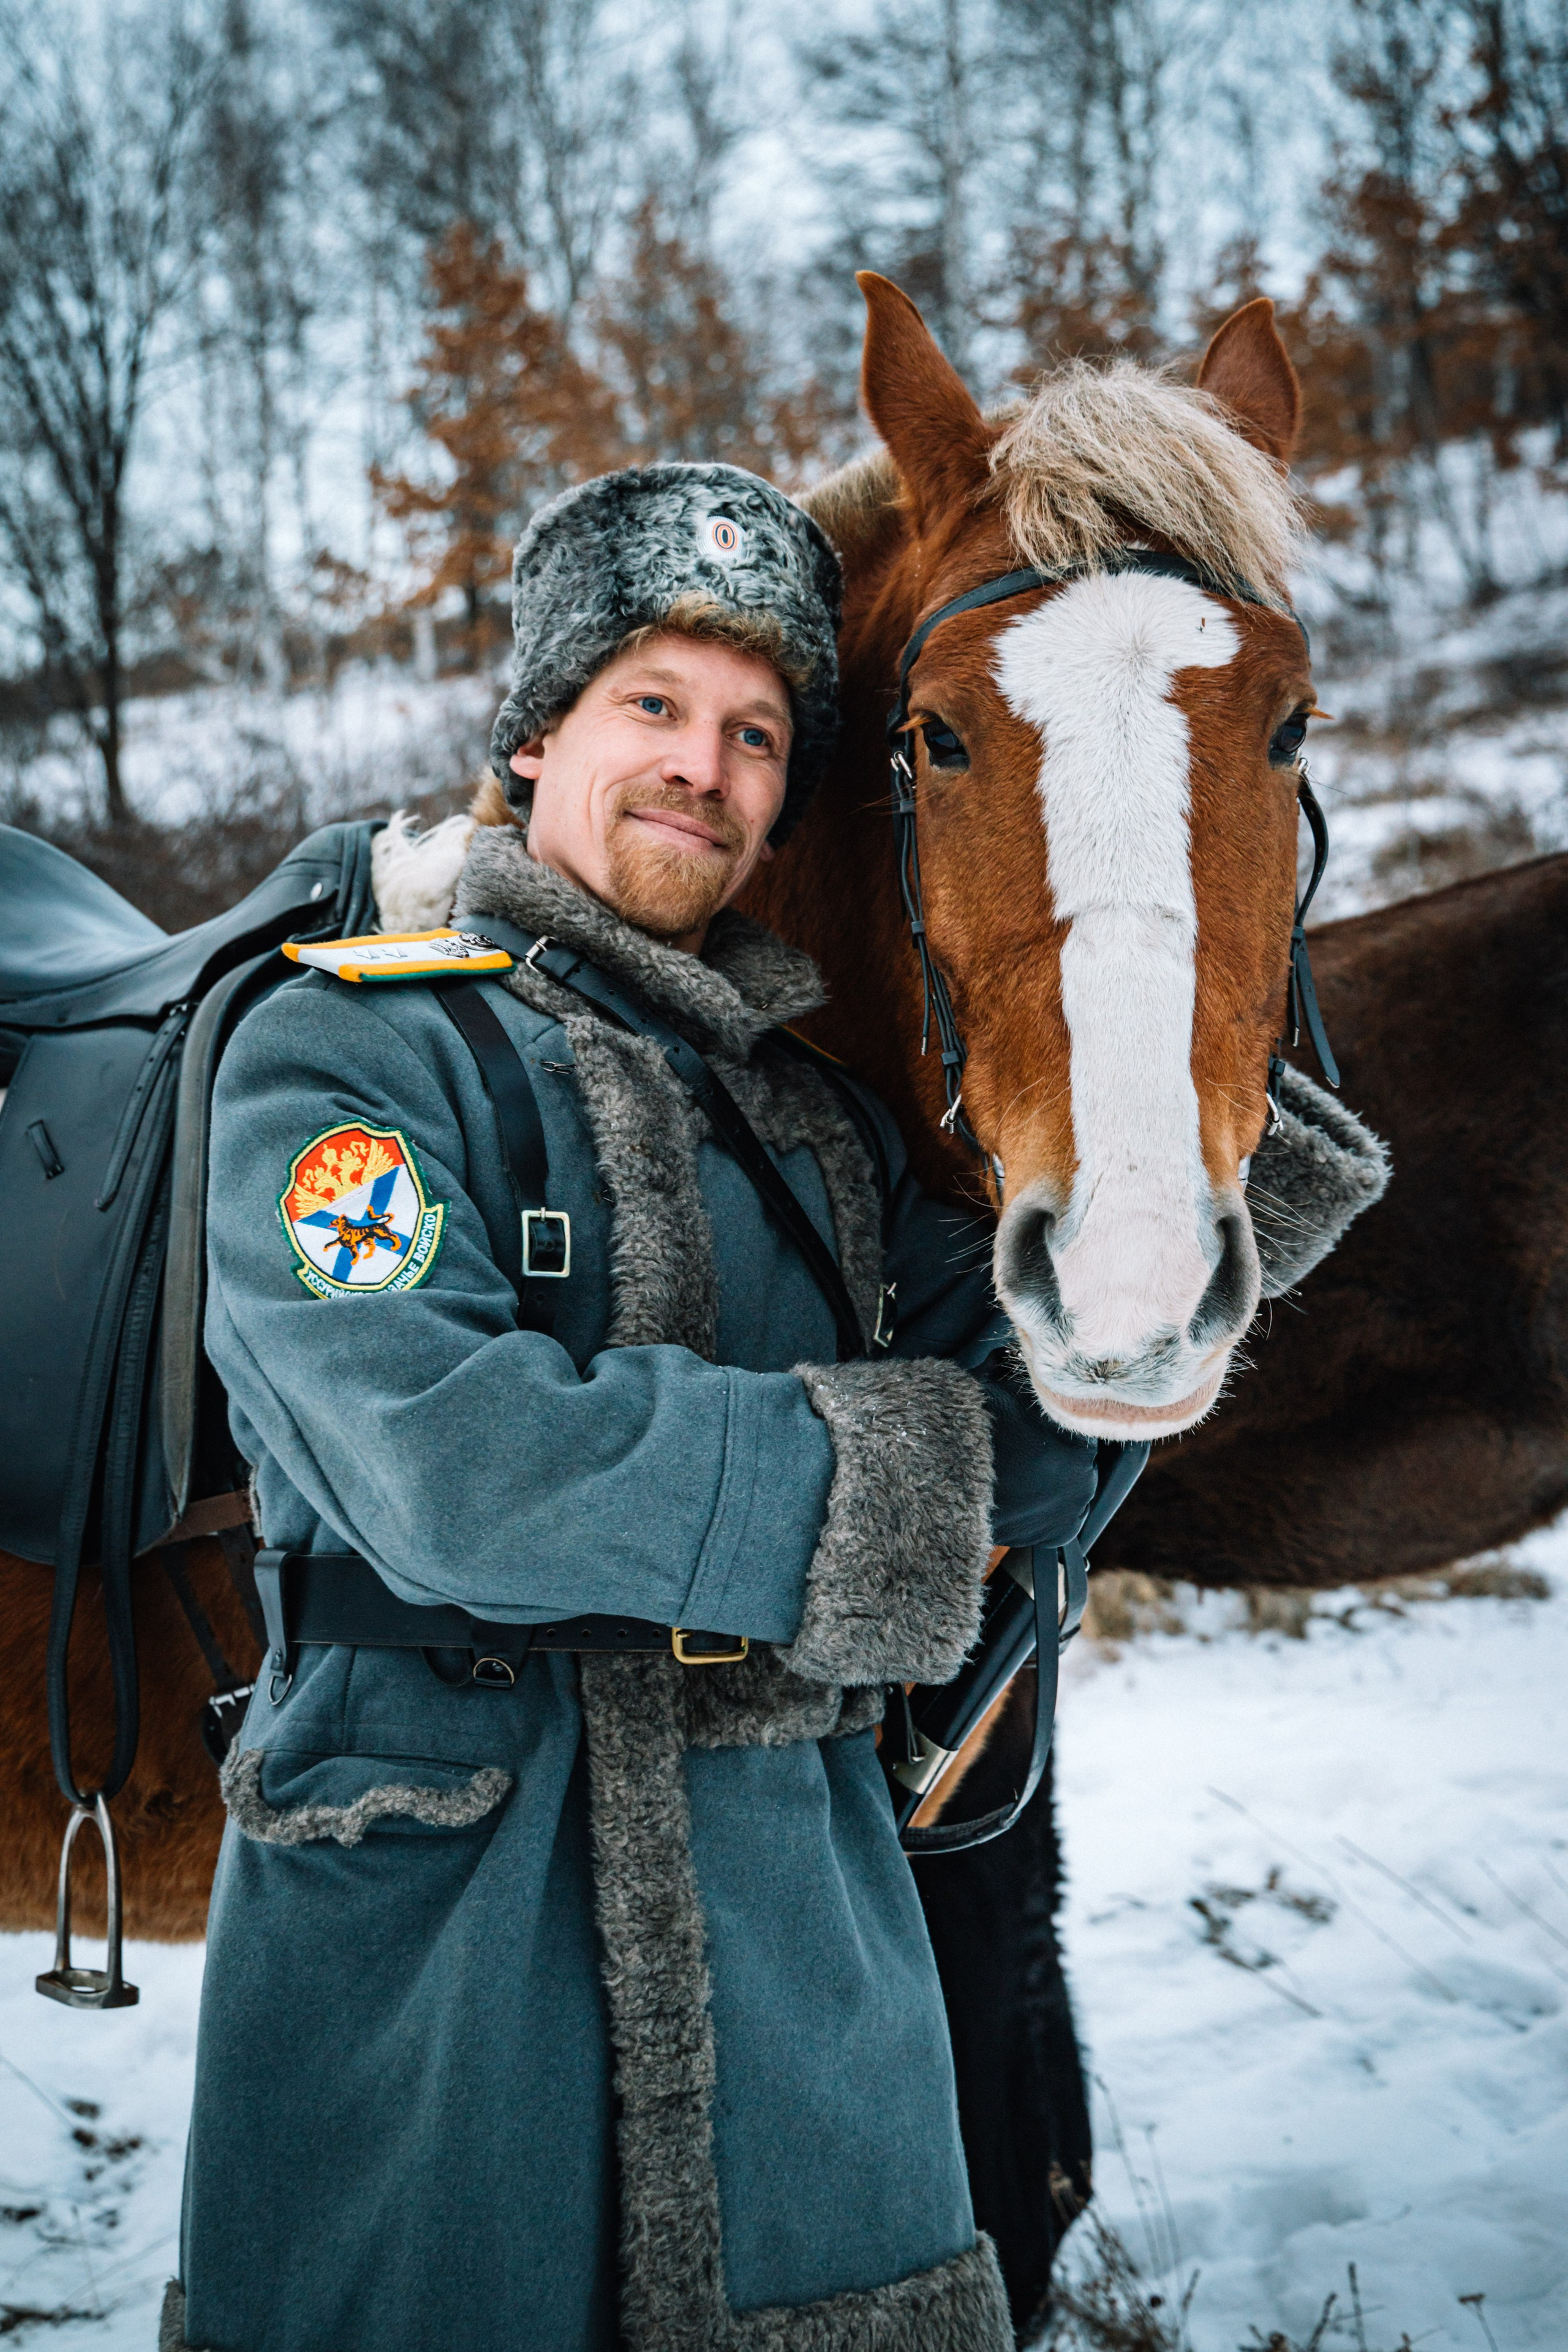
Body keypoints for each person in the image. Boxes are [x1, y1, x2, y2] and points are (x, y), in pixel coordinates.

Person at [165, 463, 1099, 2352]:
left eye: (759, 733)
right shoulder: (343, 1047)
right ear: (533, 739)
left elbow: (1045, 1396)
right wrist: (887, 1492)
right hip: (440, 1945)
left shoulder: (822, 1129)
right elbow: (451, 1462)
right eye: (653, 706)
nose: (707, 764)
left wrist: (1183, 1152)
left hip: (798, 1975)